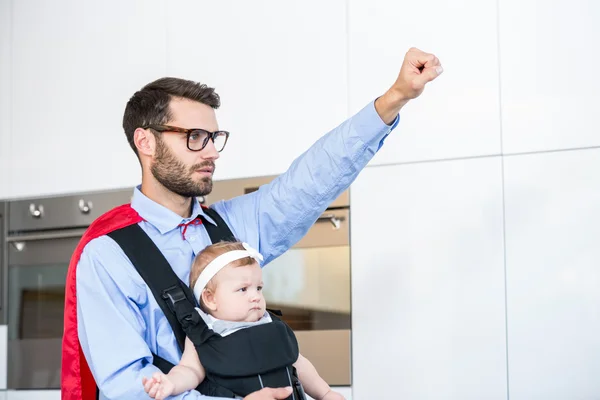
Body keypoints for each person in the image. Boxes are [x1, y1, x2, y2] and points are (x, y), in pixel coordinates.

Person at [61, 47, 443, 400]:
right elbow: (128, 388)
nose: (211, 152)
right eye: (195, 137)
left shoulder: (231, 225)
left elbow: (311, 180)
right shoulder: (107, 257)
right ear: (145, 142)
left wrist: (394, 98)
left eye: (214, 137)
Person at [141, 241, 346, 400]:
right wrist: (170, 383)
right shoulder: (203, 333)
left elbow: (298, 363)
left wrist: (325, 393)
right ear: (210, 299)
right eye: (243, 289)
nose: (255, 296)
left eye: (258, 288)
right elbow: (190, 370)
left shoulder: (270, 325)